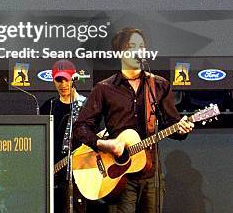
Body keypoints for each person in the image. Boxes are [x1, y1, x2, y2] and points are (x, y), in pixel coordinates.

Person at [73, 28, 194, 213]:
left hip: (151, 172)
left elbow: (171, 124)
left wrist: (182, 129)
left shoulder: (159, 85)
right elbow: (81, 127)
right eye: (132, 46)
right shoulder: (104, 88)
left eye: (141, 46)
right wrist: (103, 145)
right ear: (120, 51)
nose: (138, 50)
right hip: (117, 173)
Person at [40, 60, 89, 213]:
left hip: (79, 173)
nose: (63, 84)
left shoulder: (85, 105)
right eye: (58, 80)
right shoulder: (48, 106)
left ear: (73, 79)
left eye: (66, 79)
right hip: (54, 174)